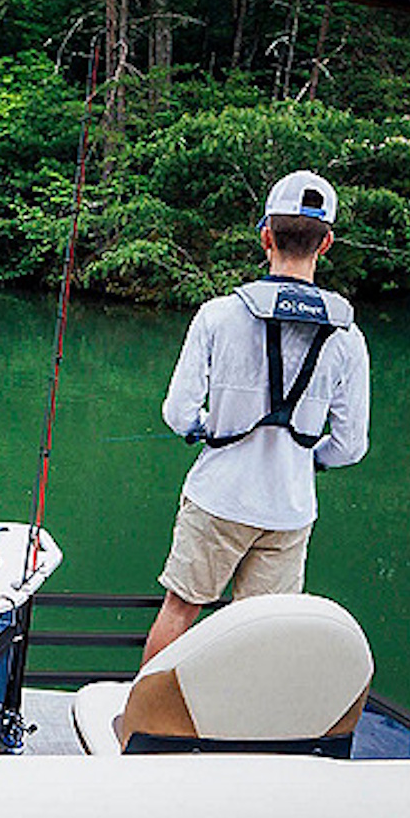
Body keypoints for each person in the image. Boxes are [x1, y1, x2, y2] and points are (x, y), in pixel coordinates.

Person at [143, 169, 369, 665]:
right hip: (289, 510)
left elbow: (177, 413)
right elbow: (350, 446)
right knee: (261, 634)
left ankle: (144, 711)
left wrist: (205, 428)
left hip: (218, 497)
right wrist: (307, 457)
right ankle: (238, 717)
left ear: (266, 236)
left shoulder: (217, 314)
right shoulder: (348, 338)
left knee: (180, 610)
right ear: (325, 243)